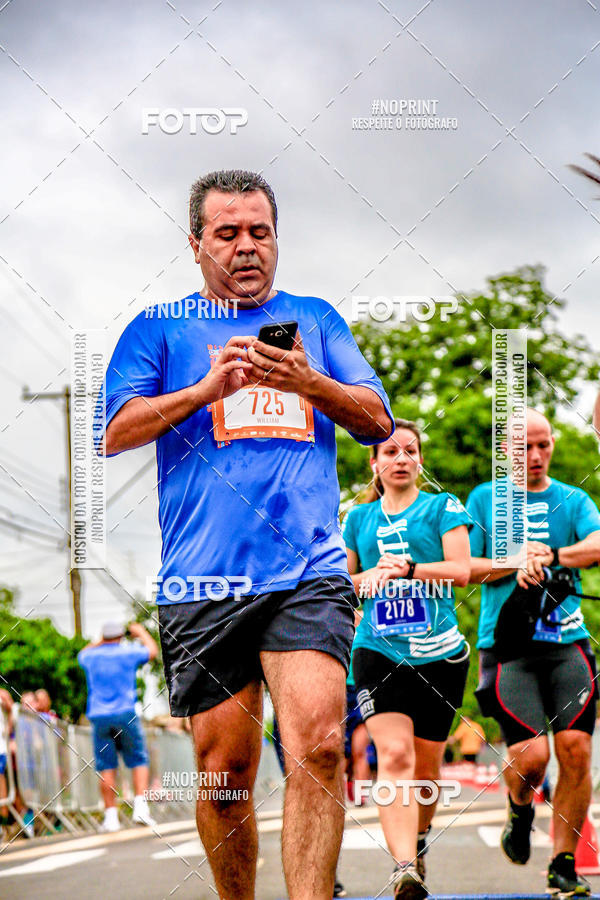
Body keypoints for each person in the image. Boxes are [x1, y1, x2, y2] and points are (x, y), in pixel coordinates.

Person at [100, 169, 393, 900]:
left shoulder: (316, 319)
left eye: (258, 232)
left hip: (308, 571)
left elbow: (376, 420)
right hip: (204, 580)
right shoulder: (158, 327)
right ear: (196, 243)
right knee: (224, 773)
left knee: (322, 747)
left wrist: (310, 383)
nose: (245, 247)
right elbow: (111, 432)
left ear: (275, 238)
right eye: (227, 233)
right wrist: (204, 392)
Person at [467, 408, 600, 898]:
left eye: (544, 445)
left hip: (569, 644)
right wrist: (513, 562)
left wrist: (555, 556)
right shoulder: (485, 500)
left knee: (577, 751)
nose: (537, 456)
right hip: (508, 647)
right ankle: (520, 808)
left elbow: (598, 542)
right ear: (506, 450)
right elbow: (466, 566)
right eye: (525, 447)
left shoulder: (573, 498)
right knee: (533, 758)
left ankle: (563, 863)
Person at [342, 419, 471, 899]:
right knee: (393, 755)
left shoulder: (442, 508)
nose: (400, 459)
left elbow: (460, 570)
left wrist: (412, 568)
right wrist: (371, 576)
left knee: (428, 770)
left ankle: (418, 838)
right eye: (389, 452)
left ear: (420, 460)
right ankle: (402, 869)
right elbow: (344, 583)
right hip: (378, 650)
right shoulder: (357, 520)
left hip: (440, 655)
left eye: (409, 451)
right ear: (374, 464)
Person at [78, 621, 158, 832]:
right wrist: (140, 632)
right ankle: (140, 807)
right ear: (120, 637)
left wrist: (100, 641)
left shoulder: (91, 657)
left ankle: (111, 817)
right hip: (125, 714)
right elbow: (152, 651)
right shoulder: (128, 652)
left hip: (99, 717)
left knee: (106, 766)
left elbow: (81, 653)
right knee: (138, 758)